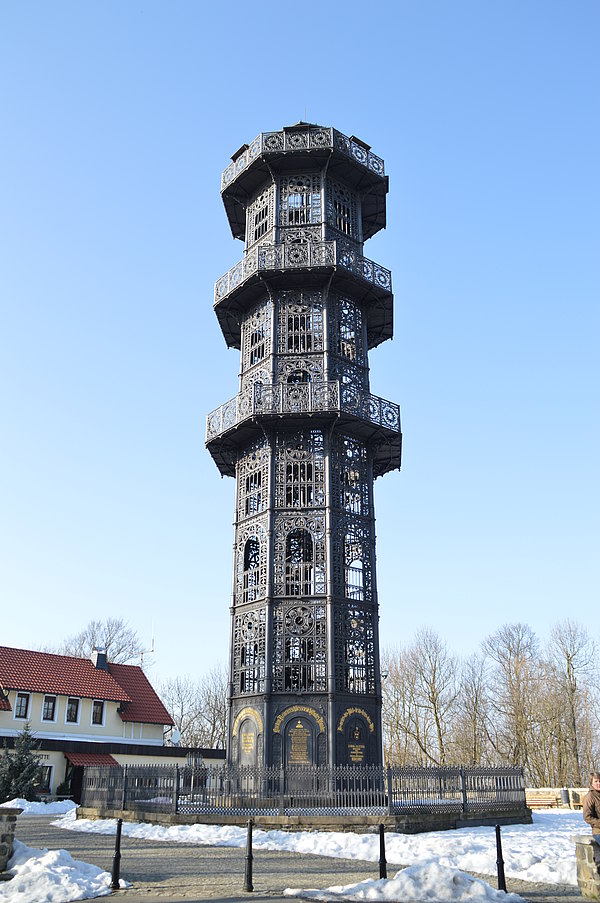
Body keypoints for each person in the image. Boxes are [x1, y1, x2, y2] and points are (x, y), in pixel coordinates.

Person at [583, 773, 600, 842]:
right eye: (596, 781)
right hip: (598, 832)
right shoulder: (590, 797)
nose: (598, 783)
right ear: (591, 783)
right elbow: (587, 817)